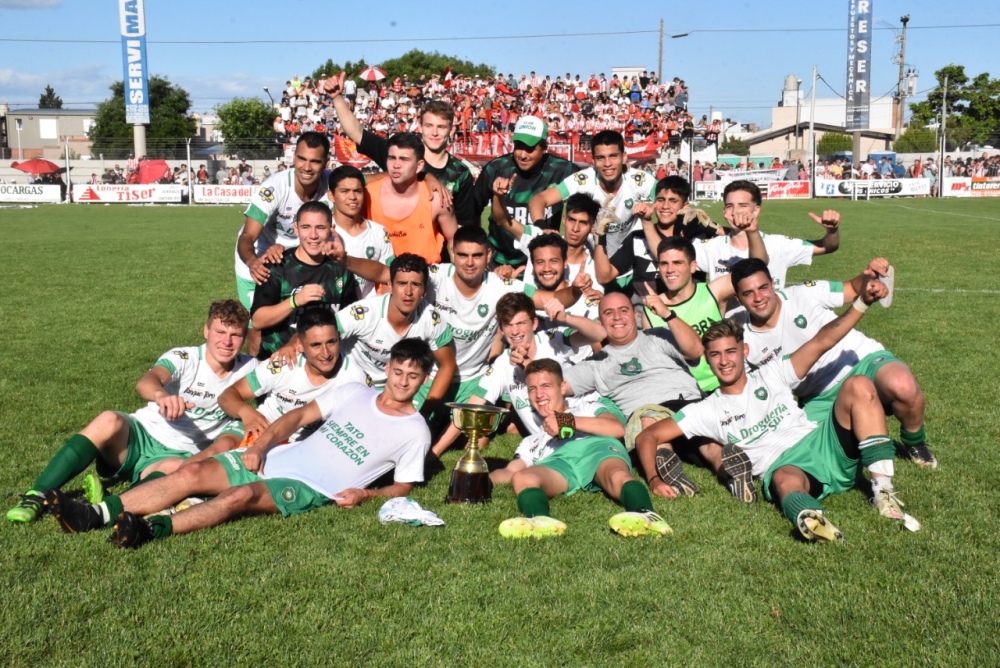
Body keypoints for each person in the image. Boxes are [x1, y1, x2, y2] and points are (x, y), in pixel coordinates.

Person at [44, 339, 436, 547]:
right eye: (398, 371)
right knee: (193, 470)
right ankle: (92, 515)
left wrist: (365, 496)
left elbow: (405, 485)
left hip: (309, 487)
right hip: (276, 456)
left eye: (412, 376)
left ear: (423, 380)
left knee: (237, 498)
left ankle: (151, 531)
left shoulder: (415, 430)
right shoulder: (356, 391)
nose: (402, 381)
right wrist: (262, 446)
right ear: (387, 369)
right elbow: (296, 417)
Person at [634, 277, 918, 543]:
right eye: (715, 355)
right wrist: (654, 479)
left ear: (744, 351)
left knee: (857, 383)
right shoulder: (706, 410)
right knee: (783, 479)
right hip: (787, 466)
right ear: (707, 360)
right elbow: (647, 437)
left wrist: (862, 303)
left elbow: (822, 341)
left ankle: (883, 491)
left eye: (730, 352)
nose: (724, 361)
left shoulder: (773, 373)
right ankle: (811, 518)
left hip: (821, 442)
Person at [7, 301, 255, 524]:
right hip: (138, 436)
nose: (226, 341)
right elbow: (147, 380)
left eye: (235, 335)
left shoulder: (250, 370)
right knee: (108, 419)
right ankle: (36, 495)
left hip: (178, 453)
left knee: (178, 468)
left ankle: (105, 506)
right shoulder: (185, 357)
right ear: (206, 331)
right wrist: (162, 395)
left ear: (244, 338)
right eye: (220, 332)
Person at [731, 257, 937, 468]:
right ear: (738, 298)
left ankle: (915, 441)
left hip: (859, 360)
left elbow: (852, 287)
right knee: (806, 453)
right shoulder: (740, 338)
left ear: (773, 284)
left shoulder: (803, 293)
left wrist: (870, 277)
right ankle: (860, 417)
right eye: (748, 293)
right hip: (818, 396)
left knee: (902, 384)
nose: (759, 297)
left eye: (763, 287)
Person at [418, 226, 587, 418]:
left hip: (473, 379)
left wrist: (576, 290)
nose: (470, 263)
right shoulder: (434, 277)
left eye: (477, 255)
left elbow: (553, 298)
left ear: (489, 255)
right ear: (452, 253)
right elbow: (389, 274)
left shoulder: (499, 286)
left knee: (476, 438)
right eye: (463, 255)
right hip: (430, 375)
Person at [495, 359, 672, 539]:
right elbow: (511, 471)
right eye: (532, 389)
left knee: (616, 475)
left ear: (562, 387)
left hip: (597, 448)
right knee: (523, 477)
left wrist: (567, 421)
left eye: (545, 386)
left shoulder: (587, 407)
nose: (539, 394)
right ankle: (540, 521)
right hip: (560, 461)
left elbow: (617, 429)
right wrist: (477, 479)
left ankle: (646, 514)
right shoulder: (533, 440)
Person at [430, 292, 605, 456]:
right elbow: (471, 406)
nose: (515, 332)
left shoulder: (554, 340)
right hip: (550, 443)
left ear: (534, 323)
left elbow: (600, 333)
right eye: (508, 325)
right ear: (501, 328)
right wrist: (434, 453)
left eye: (521, 323)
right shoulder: (502, 365)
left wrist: (566, 318)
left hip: (585, 422)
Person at [214, 307, 372, 454]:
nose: (326, 353)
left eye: (331, 342)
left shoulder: (355, 378)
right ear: (300, 345)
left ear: (339, 338)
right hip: (262, 427)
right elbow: (227, 396)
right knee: (220, 449)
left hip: (305, 447)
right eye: (316, 345)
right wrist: (246, 413)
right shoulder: (283, 364)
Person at [328, 72, 476, 227]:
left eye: (441, 127)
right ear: (420, 127)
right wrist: (337, 98)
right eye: (429, 126)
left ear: (451, 130)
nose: (434, 133)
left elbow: (463, 225)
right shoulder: (398, 154)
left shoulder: (461, 173)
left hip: (435, 250)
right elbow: (357, 133)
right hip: (392, 247)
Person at [235, 132, 331, 356]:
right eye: (301, 159)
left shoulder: (331, 182)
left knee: (300, 325)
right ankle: (254, 385)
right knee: (258, 331)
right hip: (259, 262)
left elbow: (366, 179)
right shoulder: (275, 188)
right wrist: (252, 262)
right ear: (293, 157)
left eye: (315, 161)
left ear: (325, 162)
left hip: (299, 261)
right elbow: (247, 237)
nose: (306, 167)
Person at [528, 130, 656, 298]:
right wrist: (541, 225)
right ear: (592, 160)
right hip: (596, 269)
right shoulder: (583, 180)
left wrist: (653, 209)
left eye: (613, 156)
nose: (608, 164)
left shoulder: (638, 179)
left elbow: (669, 198)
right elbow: (538, 200)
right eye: (601, 158)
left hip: (634, 265)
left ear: (624, 157)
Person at [250, 201, 382, 360]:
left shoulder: (340, 269)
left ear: (331, 229)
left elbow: (349, 321)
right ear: (296, 229)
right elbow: (258, 320)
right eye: (306, 227)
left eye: (320, 228)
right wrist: (295, 301)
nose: (313, 235)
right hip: (278, 360)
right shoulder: (277, 265)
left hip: (324, 361)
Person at [334, 254, 457, 414]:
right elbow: (321, 333)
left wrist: (424, 415)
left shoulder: (431, 319)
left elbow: (447, 366)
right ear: (390, 285)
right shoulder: (364, 313)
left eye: (415, 285)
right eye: (402, 283)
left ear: (424, 290)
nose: (408, 292)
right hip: (352, 383)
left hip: (397, 389)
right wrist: (296, 339)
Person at [694, 180, 839, 310]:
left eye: (742, 205)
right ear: (724, 211)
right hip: (729, 333)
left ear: (756, 210)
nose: (735, 211)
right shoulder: (709, 247)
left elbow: (827, 246)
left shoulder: (779, 244)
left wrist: (832, 231)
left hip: (769, 329)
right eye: (729, 206)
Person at [473, 116, 578, 272]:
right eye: (519, 146)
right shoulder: (496, 168)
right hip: (498, 263)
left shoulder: (563, 171)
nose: (522, 154)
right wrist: (481, 253)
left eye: (530, 148)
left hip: (544, 265)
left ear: (544, 148)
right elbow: (473, 212)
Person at [364, 132, 458, 265]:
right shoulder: (367, 194)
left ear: (419, 166)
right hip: (379, 281)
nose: (396, 165)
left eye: (404, 159)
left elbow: (455, 242)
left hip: (425, 279)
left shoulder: (436, 199)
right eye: (392, 158)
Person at [325, 165, 394, 300]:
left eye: (357, 191)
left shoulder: (379, 231)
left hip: (367, 314)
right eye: (344, 191)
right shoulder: (321, 231)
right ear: (331, 195)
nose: (352, 197)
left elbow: (389, 277)